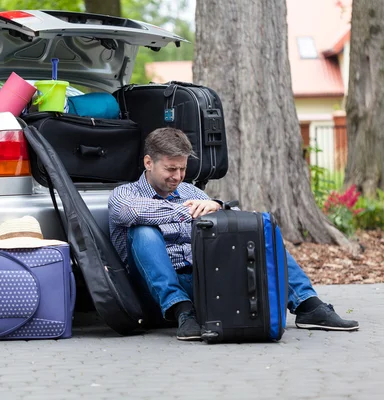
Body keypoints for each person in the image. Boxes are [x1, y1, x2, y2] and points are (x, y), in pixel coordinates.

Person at [108, 127, 359, 341]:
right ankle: (181, 311)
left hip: (202, 280)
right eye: (171, 169)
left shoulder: (191, 192)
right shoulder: (125, 194)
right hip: (151, 291)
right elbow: (130, 212)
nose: (178, 176)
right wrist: (190, 212)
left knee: (260, 233)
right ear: (149, 162)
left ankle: (307, 305)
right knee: (143, 231)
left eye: (182, 169)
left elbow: (234, 218)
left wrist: (218, 207)